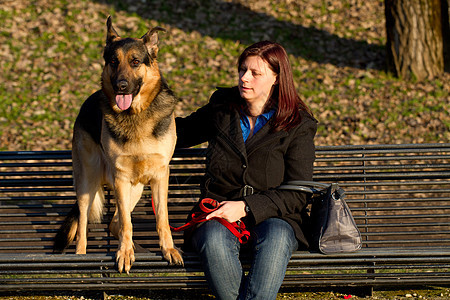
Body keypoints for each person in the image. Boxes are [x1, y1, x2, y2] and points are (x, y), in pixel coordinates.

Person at [175, 41, 317, 300]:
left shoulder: (298, 124)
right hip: (216, 211)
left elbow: (298, 193)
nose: (244, 78)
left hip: (278, 217)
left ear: (276, 77)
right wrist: (132, 118)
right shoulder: (222, 107)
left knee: (276, 239)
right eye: (242, 70)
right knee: (213, 240)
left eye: (255, 73)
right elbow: (179, 133)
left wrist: (246, 206)